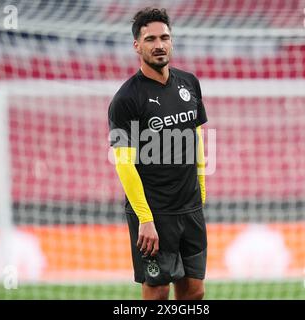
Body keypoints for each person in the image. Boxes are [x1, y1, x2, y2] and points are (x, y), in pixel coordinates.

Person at [108, 7, 208, 300]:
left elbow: (197, 134)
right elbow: (123, 164)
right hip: (154, 212)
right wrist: (145, 218)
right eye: (150, 39)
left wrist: (200, 187)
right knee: (158, 292)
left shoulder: (189, 83)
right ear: (137, 46)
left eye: (165, 37)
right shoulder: (125, 100)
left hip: (189, 208)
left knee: (194, 292)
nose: (159, 44)